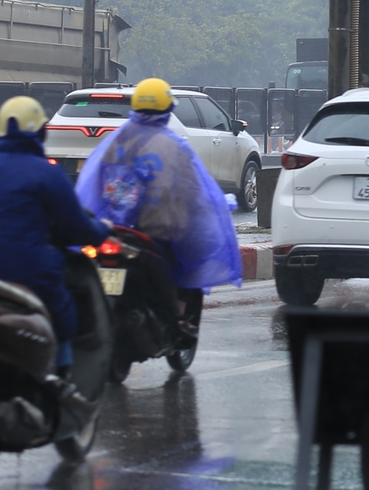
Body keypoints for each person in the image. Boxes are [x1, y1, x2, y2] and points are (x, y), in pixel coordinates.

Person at [0, 96, 110, 374]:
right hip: (34, 274)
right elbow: (76, 227)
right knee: (63, 318)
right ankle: (60, 380)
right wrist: (102, 231)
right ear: (41, 131)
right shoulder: (48, 174)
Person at [75, 78, 243, 341]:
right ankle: (177, 316)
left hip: (112, 228)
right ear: (168, 109)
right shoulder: (175, 145)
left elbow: (93, 183)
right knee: (189, 256)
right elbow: (193, 190)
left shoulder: (115, 141)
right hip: (156, 232)